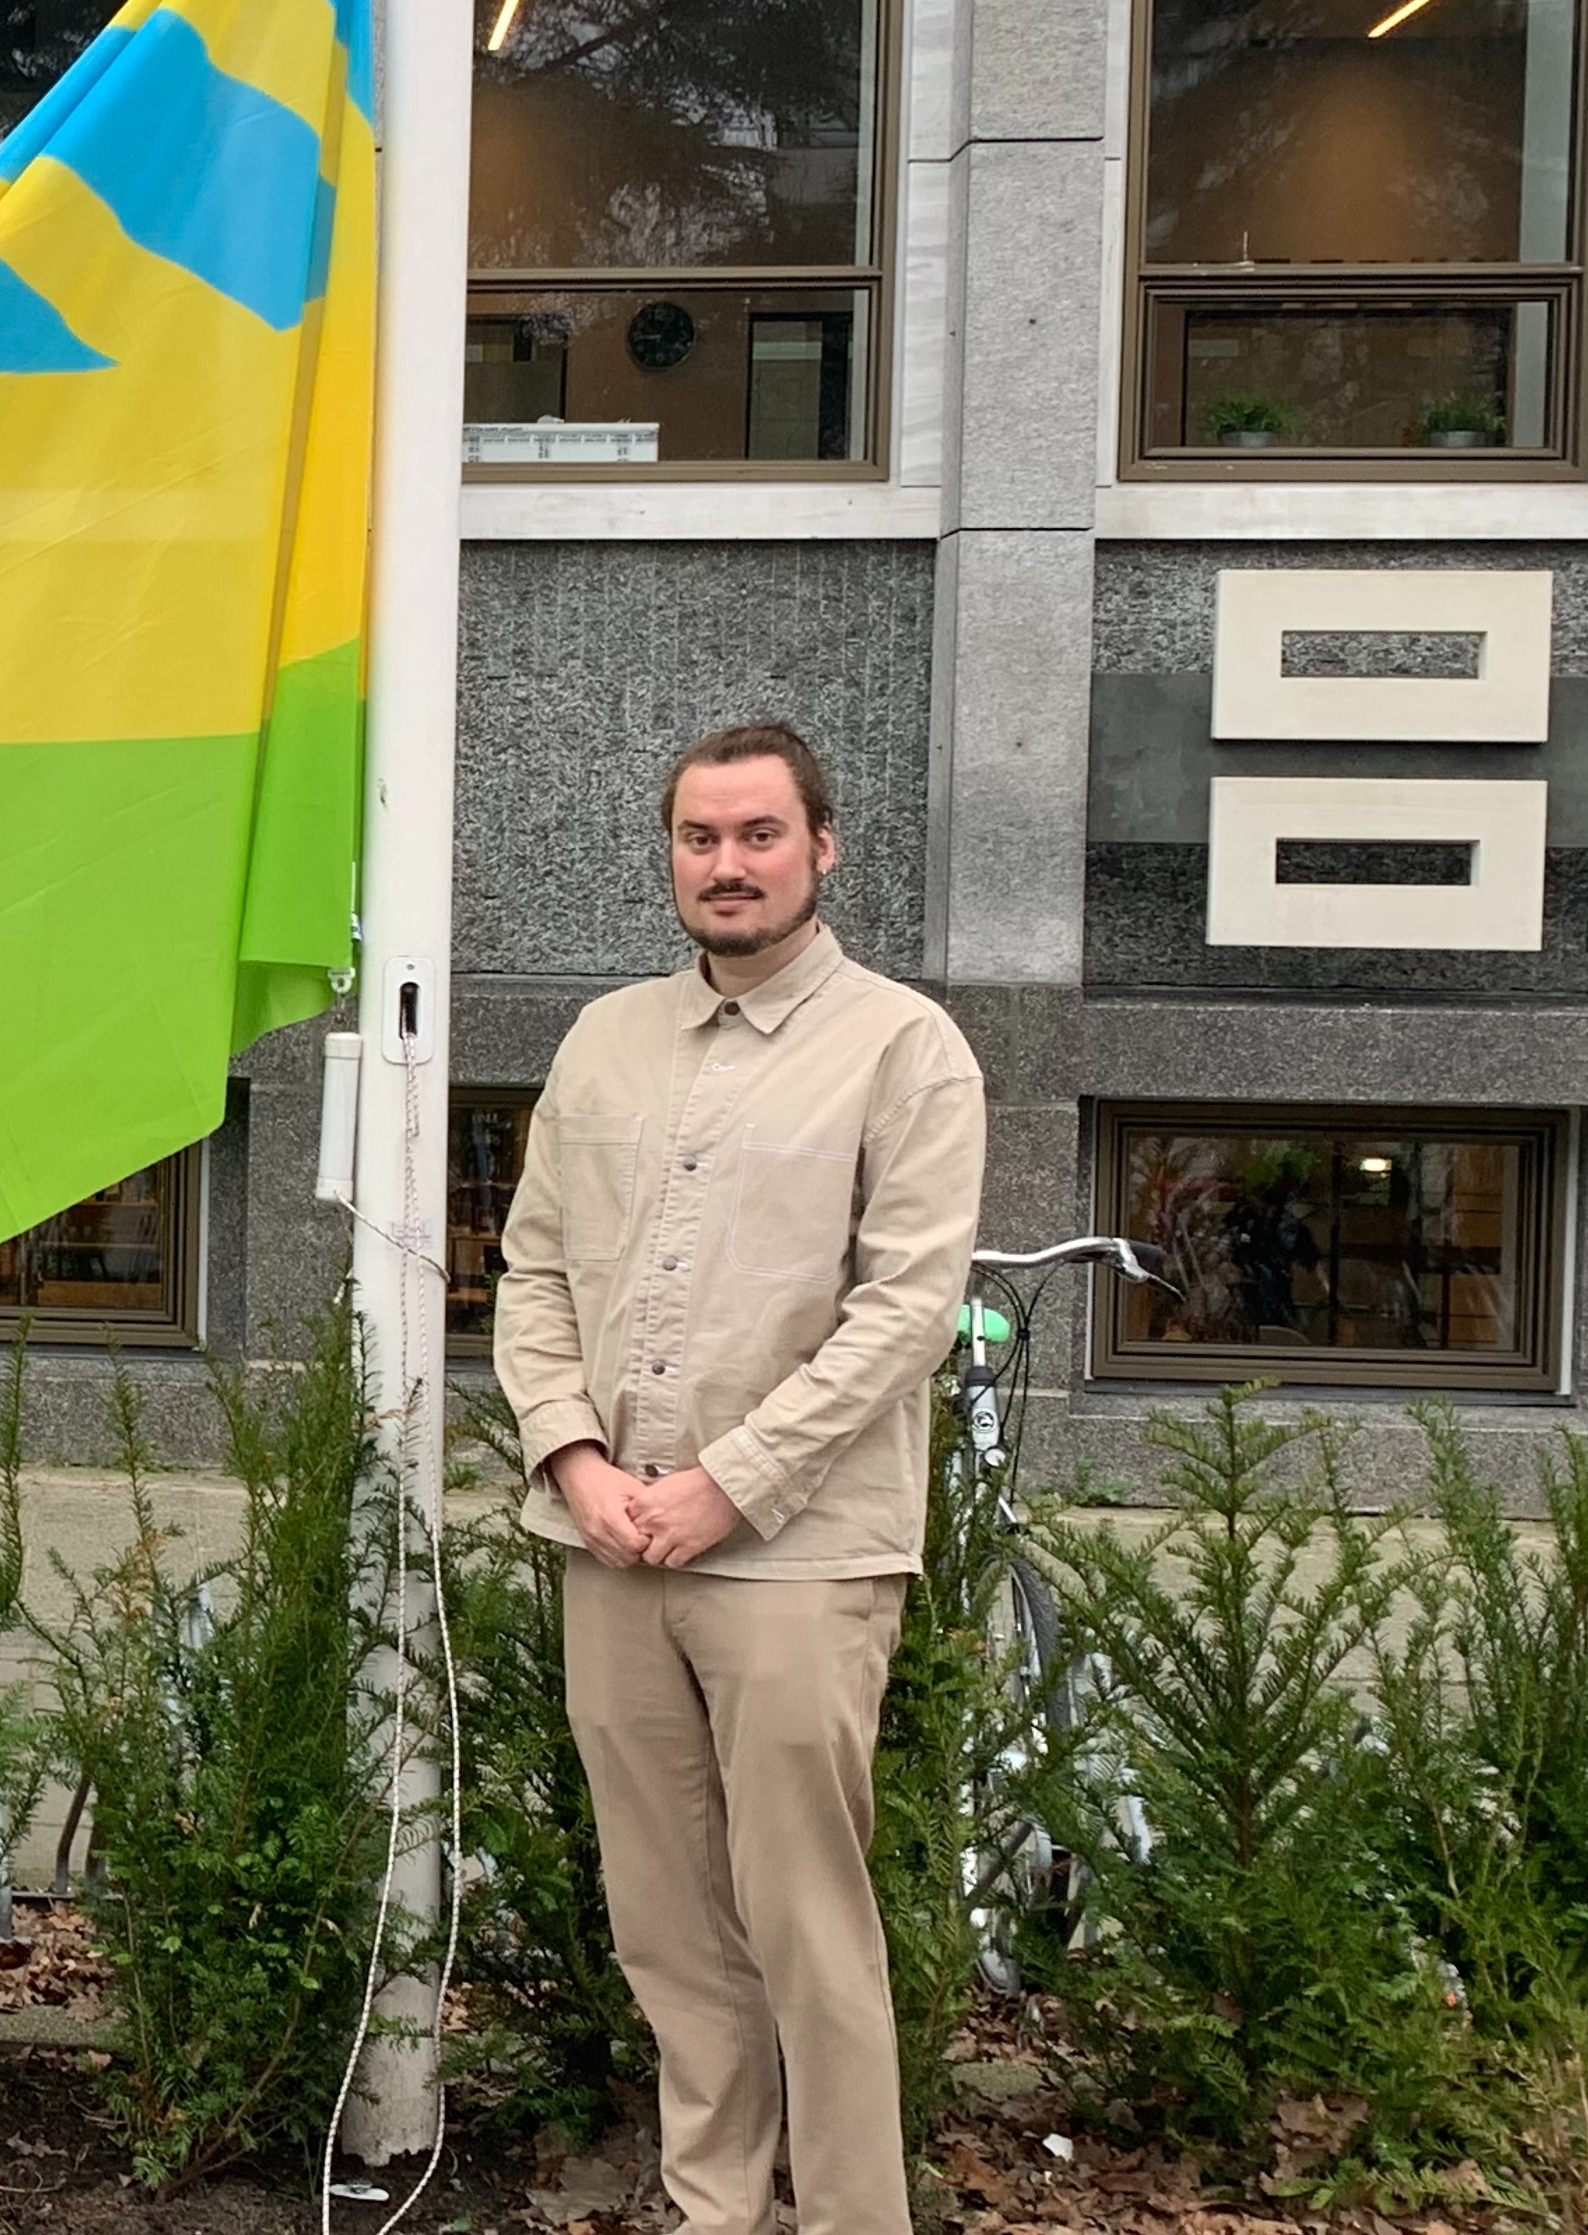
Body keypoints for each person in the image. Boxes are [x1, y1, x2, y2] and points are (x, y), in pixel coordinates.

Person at [491, 720, 984, 2235]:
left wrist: (730, 1483)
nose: (729, 865)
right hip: (613, 1543)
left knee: (805, 1926)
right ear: (672, 857)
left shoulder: (905, 1049)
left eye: (760, 835)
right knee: (666, 1931)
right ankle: (717, 2213)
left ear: (823, 849)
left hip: (799, 1559)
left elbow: (905, 1312)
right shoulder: (604, 1041)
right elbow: (531, 1271)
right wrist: (571, 1453)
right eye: (701, 839)